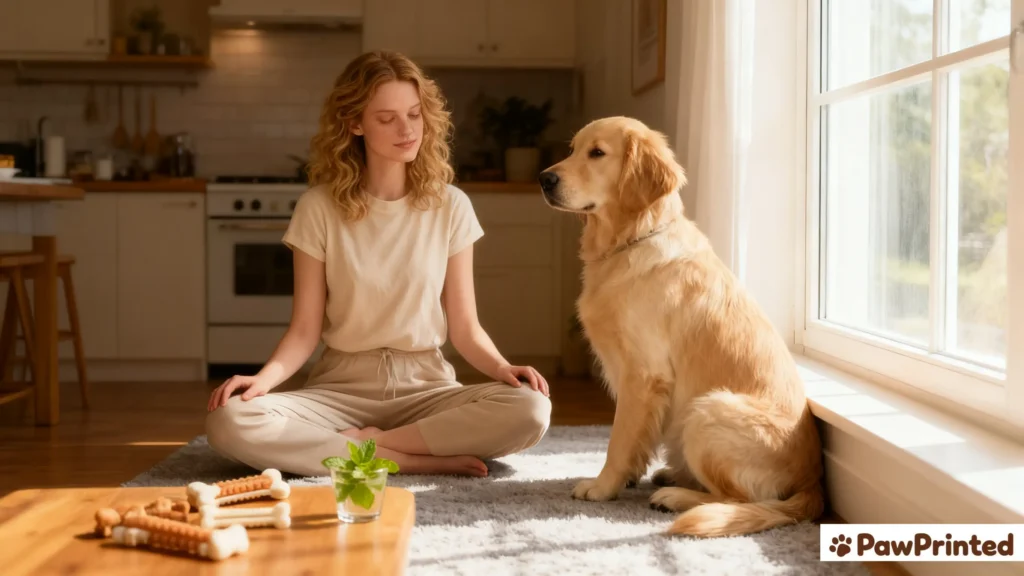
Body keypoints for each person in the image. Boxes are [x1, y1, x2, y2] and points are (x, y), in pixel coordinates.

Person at [204, 51, 552, 478]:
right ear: (355, 124)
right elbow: (304, 330)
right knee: (229, 421)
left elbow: (464, 326)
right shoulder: (318, 208)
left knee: (532, 410)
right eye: (387, 118)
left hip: (427, 389)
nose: (406, 130)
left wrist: (502, 369)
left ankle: (362, 447)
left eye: (413, 114)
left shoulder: (452, 205)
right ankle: (403, 459)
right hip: (339, 391)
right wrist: (263, 380)